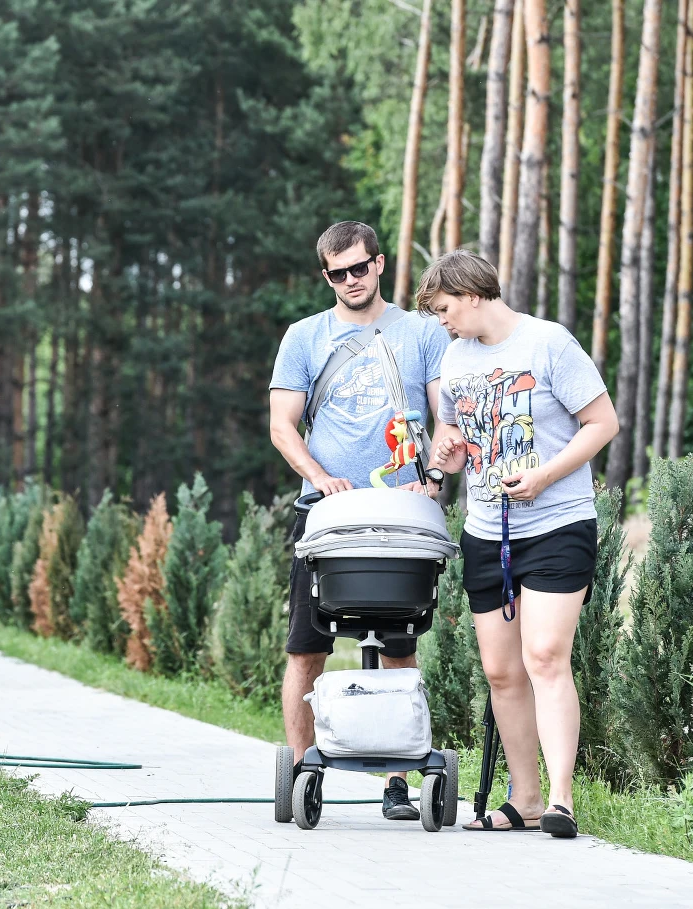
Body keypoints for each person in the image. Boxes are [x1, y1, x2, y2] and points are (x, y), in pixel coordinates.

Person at [417, 250, 619, 838]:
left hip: (557, 524)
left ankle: (561, 801)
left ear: (473, 295)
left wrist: (545, 475)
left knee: (545, 656)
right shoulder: (454, 358)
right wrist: (447, 452)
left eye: (446, 308)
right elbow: (456, 436)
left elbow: (603, 423)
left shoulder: (549, 343)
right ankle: (524, 798)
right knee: (502, 671)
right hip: (486, 530)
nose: (443, 321)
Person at [269, 220, 452, 821]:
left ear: (378, 264)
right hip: (325, 518)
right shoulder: (304, 336)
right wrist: (318, 476)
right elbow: (282, 425)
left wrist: (434, 476)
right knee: (307, 647)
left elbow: (442, 410)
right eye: (336, 273)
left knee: (401, 646)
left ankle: (398, 780)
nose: (349, 280)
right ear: (327, 277)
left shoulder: (422, 332)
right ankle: (303, 771)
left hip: (402, 515)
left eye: (358, 267)